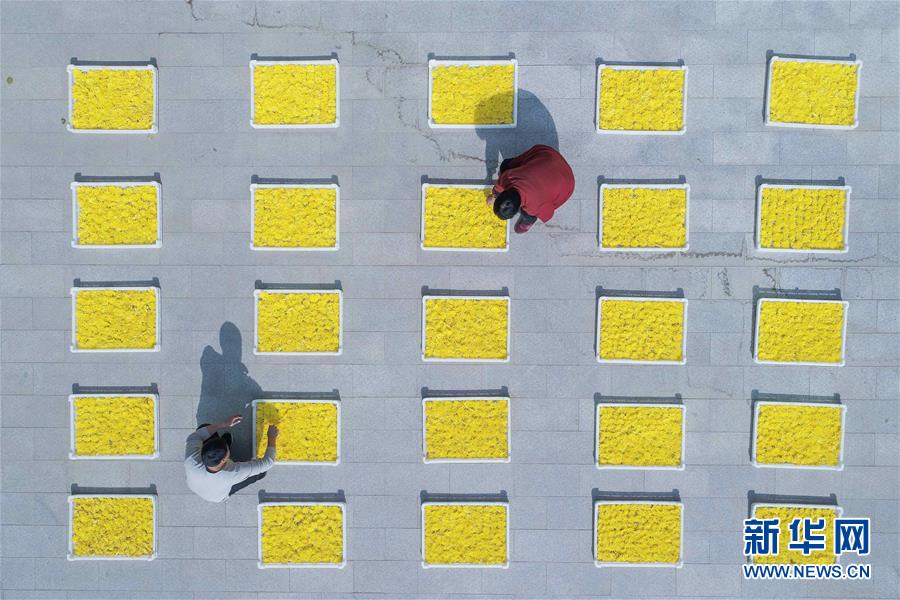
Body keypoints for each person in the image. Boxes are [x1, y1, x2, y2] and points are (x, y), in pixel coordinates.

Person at [184, 414, 278, 502]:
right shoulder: (232, 473)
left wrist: (224, 424)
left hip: (195, 486)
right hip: (217, 497)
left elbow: (196, 436)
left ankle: (223, 444)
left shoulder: (191, 459)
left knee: (203, 427)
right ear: (224, 460)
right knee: (261, 473)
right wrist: (271, 437)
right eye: (227, 449)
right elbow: (268, 463)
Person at [488, 144, 576, 234]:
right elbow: (500, 186)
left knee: (529, 215)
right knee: (505, 166)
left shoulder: (535, 207)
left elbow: (549, 214)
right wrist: (494, 196)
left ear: (517, 209)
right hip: (549, 155)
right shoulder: (508, 177)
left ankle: (527, 223)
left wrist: (537, 210)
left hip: (567, 182)